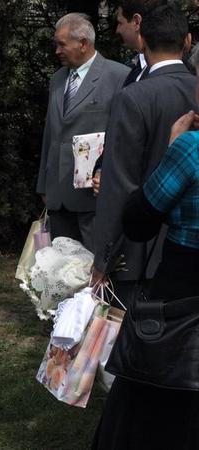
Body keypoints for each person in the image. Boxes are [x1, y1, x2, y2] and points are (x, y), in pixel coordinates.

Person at [92, 46, 199, 450]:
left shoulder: (190, 149)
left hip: (184, 289)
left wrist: (172, 148)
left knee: (160, 402)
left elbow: (139, 221)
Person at [91, 4, 195, 305]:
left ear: (143, 40)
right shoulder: (194, 88)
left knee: (134, 328)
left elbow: (119, 184)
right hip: (188, 244)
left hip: (140, 250)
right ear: (187, 41)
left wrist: (104, 256)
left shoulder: (133, 97)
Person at [36, 13, 129, 252]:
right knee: (60, 267)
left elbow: (123, 134)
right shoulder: (57, 79)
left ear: (83, 43)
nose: (57, 50)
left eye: (62, 44)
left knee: (94, 264)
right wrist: (43, 185)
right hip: (58, 195)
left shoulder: (118, 76)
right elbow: (51, 134)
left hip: (93, 198)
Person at [92, 0, 167, 195]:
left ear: (136, 21)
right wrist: (101, 169)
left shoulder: (178, 76)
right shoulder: (133, 72)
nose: (117, 30)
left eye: (120, 22)